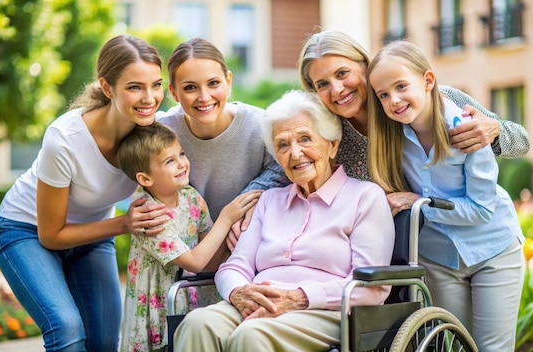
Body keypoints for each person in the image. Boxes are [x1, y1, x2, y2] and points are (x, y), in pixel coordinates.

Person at [173, 90, 395, 351]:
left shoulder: (365, 197)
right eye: (283, 144)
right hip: (259, 303)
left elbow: (371, 287)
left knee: (253, 335)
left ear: (332, 145)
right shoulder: (269, 201)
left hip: (326, 311)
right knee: (198, 323)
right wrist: (238, 292)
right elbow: (235, 266)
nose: (296, 153)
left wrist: (299, 298)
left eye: (305, 139)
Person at [0, 35, 171, 352]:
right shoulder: (65, 139)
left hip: (91, 237)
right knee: (67, 329)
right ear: (107, 87)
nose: (149, 98)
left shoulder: (153, 132)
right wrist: (123, 224)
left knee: (103, 341)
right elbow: (51, 235)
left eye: (156, 85)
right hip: (27, 232)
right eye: (134, 87)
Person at [366, 40, 524, 351]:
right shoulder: (391, 136)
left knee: (493, 348)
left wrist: (418, 205)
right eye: (383, 94)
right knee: (451, 345)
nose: (393, 100)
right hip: (438, 257)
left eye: (401, 86)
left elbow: (481, 210)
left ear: (427, 81)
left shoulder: (467, 129)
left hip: (493, 249)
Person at [297, 30, 530, 184]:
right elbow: (285, 168)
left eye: (343, 73)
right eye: (323, 84)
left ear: (365, 66)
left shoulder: (428, 102)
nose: (337, 89)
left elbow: (522, 141)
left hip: (450, 241)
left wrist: (494, 131)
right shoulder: (324, 133)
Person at [115, 122, 261, 352]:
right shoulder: (150, 216)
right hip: (159, 310)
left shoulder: (191, 198)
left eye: (181, 154)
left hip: (189, 298)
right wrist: (226, 218)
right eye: (169, 161)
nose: (182, 163)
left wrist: (236, 228)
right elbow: (194, 261)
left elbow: (209, 261)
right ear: (145, 179)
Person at [157, 38, 290, 251]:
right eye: (190, 87)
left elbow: (283, 173)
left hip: (249, 247)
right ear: (173, 92)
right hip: (186, 252)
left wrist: (246, 200)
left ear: (228, 81)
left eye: (213, 83)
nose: (204, 96)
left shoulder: (261, 126)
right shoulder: (163, 133)